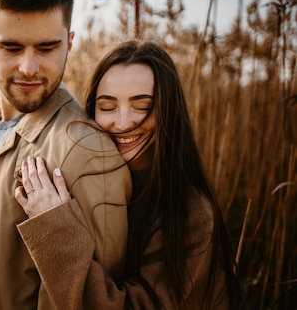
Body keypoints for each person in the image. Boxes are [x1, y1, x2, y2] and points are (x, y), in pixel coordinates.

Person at [13, 40, 244, 309]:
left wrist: (55, 229)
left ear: (168, 110)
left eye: (142, 106)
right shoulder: (89, 183)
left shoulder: (192, 215)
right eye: (108, 107)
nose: (122, 123)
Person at [0, 0, 132, 309]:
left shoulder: (89, 153)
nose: (29, 68)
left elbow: (97, 301)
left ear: (69, 45)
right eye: (12, 47)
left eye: (47, 48)